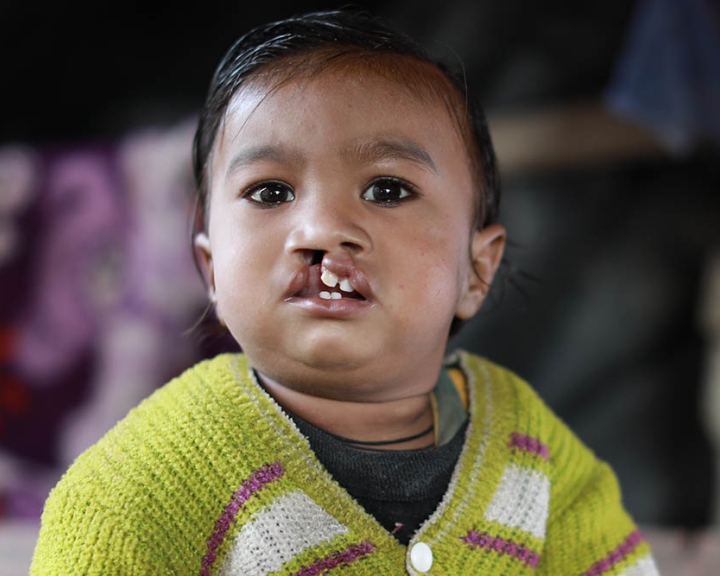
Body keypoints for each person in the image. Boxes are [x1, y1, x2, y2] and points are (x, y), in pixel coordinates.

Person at [30, 8, 659, 575]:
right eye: (270, 191)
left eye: (387, 189)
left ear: (476, 271)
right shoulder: (142, 486)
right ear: (213, 269)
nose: (323, 228)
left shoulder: (529, 448)